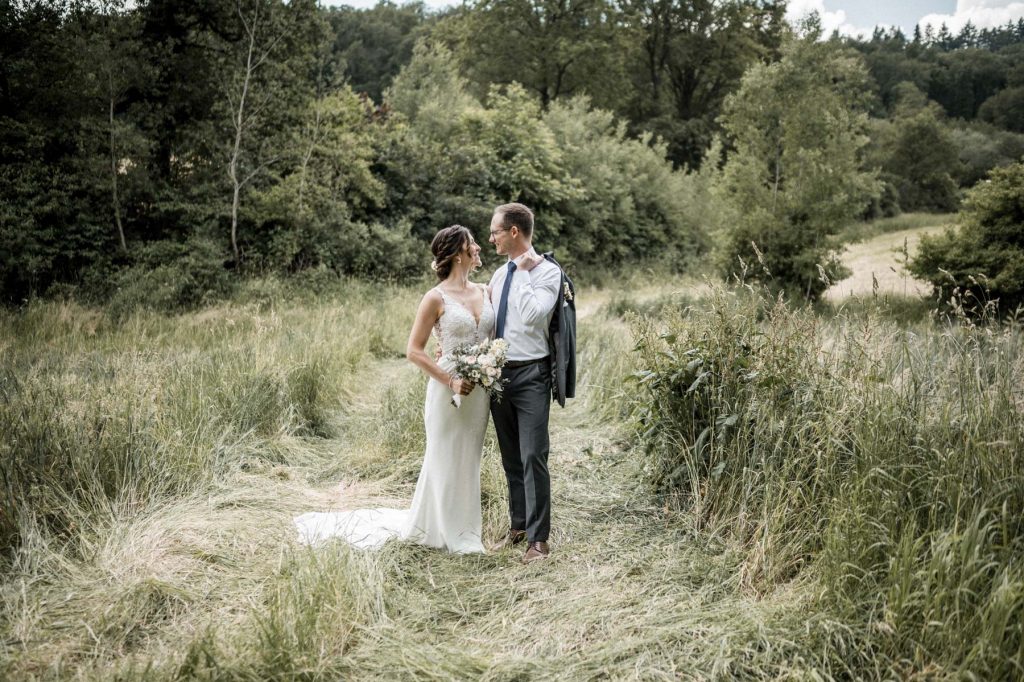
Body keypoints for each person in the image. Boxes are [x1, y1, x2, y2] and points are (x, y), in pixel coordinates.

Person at [293, 225, 493, 554]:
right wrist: (451, 380)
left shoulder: (486, 291)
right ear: (458, 253)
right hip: (447, 390)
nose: (479, 248)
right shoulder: (435, 297)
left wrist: (488, 365)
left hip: (479, 391)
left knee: (469, 456)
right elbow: (413, 350)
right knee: (443, 456)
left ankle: (466, 528)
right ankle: (450, 533)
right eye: (472, 243)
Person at [486, 203, 563, 564]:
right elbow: (489, 320)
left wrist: (524, 273)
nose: (492, 239)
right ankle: (518, 526)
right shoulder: (499, 275)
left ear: (514, 231)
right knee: (511, 456)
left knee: (533, 455)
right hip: (498, 375)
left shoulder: (548, 272)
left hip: (533, 374)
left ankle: (538, 540)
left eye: (495, 232)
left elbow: (533, 316)